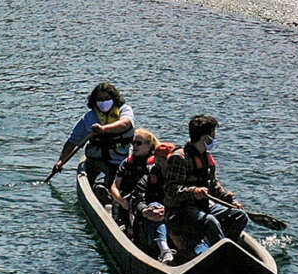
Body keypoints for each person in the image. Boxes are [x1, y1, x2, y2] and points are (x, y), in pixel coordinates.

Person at [157, 114, 249, 262]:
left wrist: (230, 199)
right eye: (213, 134)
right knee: (210, 222)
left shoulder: (207, 158)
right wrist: (193, 192)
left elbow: (213, 185)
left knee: (239, 215)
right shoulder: (179, 158)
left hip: (202, 207)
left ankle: (220, 247)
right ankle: (222, 258)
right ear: (205, 138)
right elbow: (170, 190)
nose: (215, 138)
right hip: (178, 212)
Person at [44, 82, 136, 188]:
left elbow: (125, 124)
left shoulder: (124, 110)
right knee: (99, 173)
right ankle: (100, 189)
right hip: (97, 160)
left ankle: (110, 191)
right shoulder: (89, 118)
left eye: (107, 98)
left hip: (121, 158)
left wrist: (103, 129)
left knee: (120, 176)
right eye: (100, 99)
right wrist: (61, 161)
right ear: (94, 101)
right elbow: (73, 141)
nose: (103, 102)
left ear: (114, 99)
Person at [107, 129, 174, 257]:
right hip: (130, 198)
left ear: (149, 146)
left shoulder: (155, 164)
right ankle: (124, 227)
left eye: (138, 143)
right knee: (122, 204)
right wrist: (121, 200)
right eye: (133, 143)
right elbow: (115, 186)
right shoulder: (127, 163)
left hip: (148, 199)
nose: (134, 147)